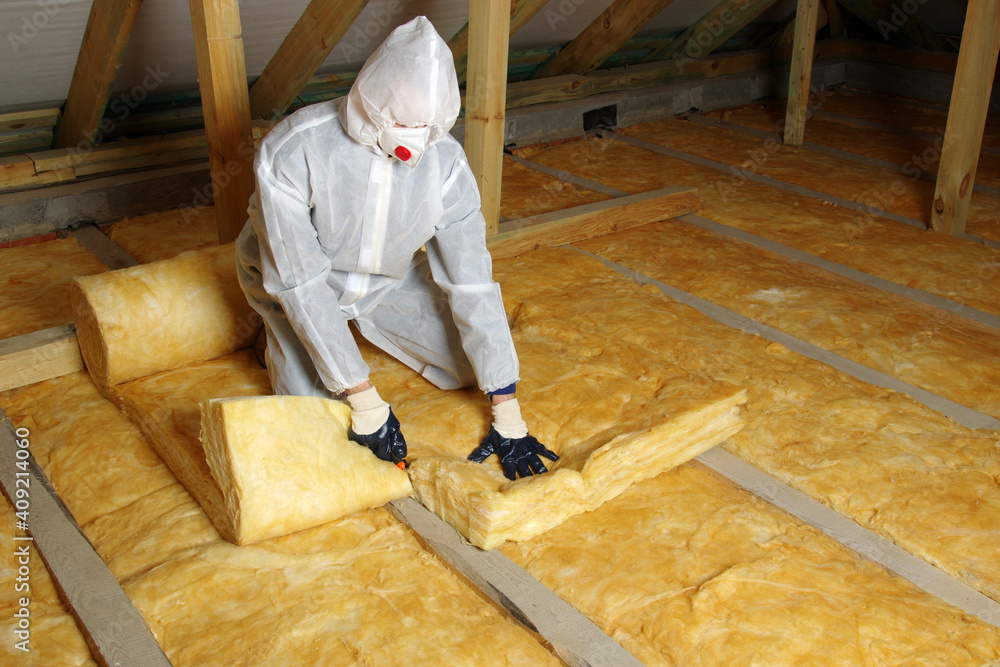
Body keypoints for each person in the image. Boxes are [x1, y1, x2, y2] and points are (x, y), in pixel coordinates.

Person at [235, 16, 557, 481]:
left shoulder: (444, 162)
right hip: (295, 287)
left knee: (470, 373)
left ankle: (349, 338)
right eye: (403, 123)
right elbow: (299, 281)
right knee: (319, 421)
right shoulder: (294, 149)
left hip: (388, 282)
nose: (413, 139)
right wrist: (364, 399)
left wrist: (507, 411)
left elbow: (471, 280)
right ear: (370, 101)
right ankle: (283, 340)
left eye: (425, 126)